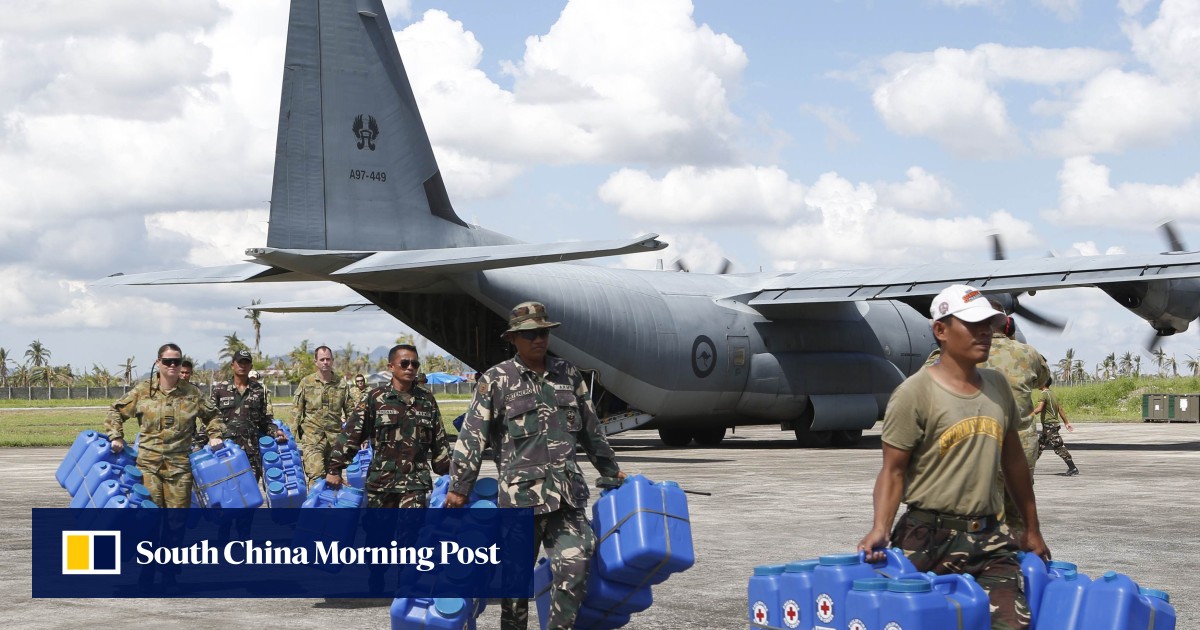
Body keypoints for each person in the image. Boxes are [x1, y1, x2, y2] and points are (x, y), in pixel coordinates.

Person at [857, 285, 1049, 630]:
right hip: (926, 537)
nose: (985, 332)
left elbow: (1015, 464)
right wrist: (880, 528)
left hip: (990, 537)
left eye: (988, 324)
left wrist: (1032, 529)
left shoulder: (998, 386)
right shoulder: (913, 393)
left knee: (1012, 624)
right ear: (941, 330)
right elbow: (893, 472)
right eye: (973, 324)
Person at [447, 301, 626, 630]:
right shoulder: (497, 380)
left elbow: (591, 430)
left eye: (542, 332)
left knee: (576, 567)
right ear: (514, 338)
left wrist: (611, 470)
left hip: (566, 496)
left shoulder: (567, 374)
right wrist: (460, 487)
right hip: (520, 502)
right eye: (529, 334)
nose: (538, 339)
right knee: (514, 591)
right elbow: (473, 436)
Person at [325, 344, 451, 507]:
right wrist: (335, 468)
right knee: (378, 532)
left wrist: (450, 477)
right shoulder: (376, 398)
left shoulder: (426, 400)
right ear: (391, 367)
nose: (410, 368)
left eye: (415, 364)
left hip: (414, 485)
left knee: (410, 532)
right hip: (381, 485)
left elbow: (439, 441)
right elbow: (351, 434)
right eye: (405, 363)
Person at [104, 343, 226, 508]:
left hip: (179, 469)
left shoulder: (192, 393)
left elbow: (213, 415)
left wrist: (215, 435)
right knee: (150, 517)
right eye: (168, 361)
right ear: (158, 362)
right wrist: (116, 436)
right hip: (148, 467)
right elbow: (116, 411)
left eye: (177, 361)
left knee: (176, 522)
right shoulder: (142, 391)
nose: (173, 365)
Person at [207, 350, 287, 480]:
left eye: (246, 362)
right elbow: (209, 418)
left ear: (251, 366)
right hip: (225, 452)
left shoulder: (258, 390)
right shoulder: (220, 390)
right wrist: (199, 445)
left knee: (250, 495)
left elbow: (263, 420)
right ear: (232, 365)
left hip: (250, 454)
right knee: (227, 491)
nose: (243, 366)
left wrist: (275, 431)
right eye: (240, 362)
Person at [291, 345, 356, 484]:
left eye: (328, 359)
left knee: (333, 478)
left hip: (334, 440)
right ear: (316, 362)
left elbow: (351, 413)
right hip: (312, 438)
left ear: (332, 360)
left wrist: (358, 437)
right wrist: (290, 437)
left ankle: (330, 505)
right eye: (322, 359)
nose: (325, 362)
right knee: (316, 475)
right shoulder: (306, 383)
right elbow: (296, 411)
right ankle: (315, 505)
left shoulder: (341, 384)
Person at [1033, 378, 1078, 475]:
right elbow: (1060, 409)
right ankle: (1026, 468)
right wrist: (1066, 422)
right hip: (1049, 426)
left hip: (1050, 426)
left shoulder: (1044, 394)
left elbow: (1039, 409)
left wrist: (1027, 415)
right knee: (1038, 447)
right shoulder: (1052, 394)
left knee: (1058, 446)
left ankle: (1072, 467)